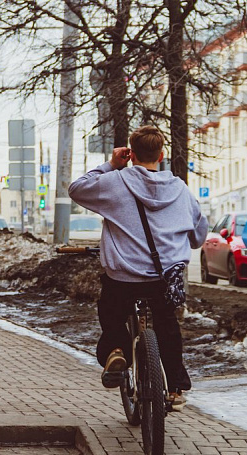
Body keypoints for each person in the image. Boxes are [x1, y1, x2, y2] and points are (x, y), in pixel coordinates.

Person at [69, 125, 208, 411]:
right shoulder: (180, 189)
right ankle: (177, 387)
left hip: (124, 276)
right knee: (167, 323)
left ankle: (117, 350)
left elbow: (77, 189)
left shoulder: (115, 182)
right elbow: (197, 236)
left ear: (130, 153)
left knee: (111, 310)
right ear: (161, 154)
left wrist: (110, 164)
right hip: (165, 277)